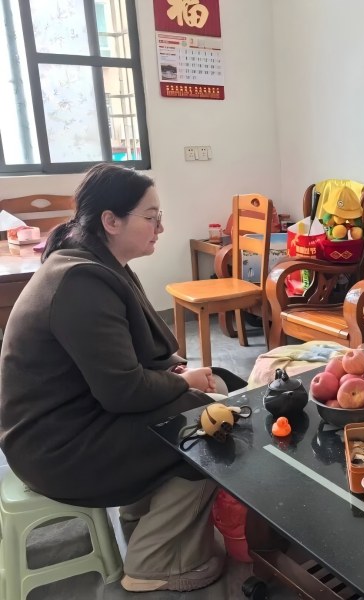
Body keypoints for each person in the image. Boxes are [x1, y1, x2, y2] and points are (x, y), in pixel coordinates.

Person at [0, 164, 243, 592]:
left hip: (71, 422)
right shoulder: (80, 282)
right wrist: (184, 383)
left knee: (220, 388)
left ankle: (142, 518)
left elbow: (131, 355)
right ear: (110, 221)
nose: (161, 227)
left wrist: (177, 372)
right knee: (211, 427)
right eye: (151, 217)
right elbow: (123, 390)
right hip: (54, 449)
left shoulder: (94, 262)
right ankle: (156, 563)